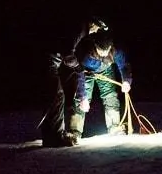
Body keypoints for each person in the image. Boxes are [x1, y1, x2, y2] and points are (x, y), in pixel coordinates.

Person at [39, 17, 109, 147]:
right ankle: (55, 137)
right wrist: (77, 67)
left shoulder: (79, 28)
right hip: (50, 60)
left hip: (52, 61)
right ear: (93, 23)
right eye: (97, 28)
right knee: (57, 95)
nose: (95, 32)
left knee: (55, 95)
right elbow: (67, 53)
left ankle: (50, 136)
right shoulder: (80, 29)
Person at [75, 30, 132, 138]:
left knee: (110, 96)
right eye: (101, 50)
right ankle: (74, 131)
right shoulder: (84, 52)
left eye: (106, 50)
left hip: (105, 70)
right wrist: (82, 96)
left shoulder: (116, 50)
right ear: (95, 45)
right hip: (86, 72)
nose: (104, 53)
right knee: (81, 101)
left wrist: (126, 80)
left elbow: (124, 66)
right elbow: (79, 75)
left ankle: (115, 126)